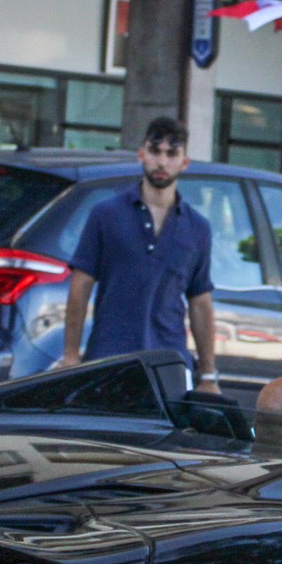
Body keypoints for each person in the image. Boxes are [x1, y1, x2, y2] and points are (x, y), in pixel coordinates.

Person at [57, 117, 220, 391]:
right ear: (141, 154)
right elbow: (80, 286)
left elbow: (200, 301)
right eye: (155, 151)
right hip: (109, 358)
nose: (162, 162)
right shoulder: (106, 214)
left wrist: (208, 376)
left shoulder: (197, 228)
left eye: (172, 154)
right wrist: (71, 356)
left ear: (185, 161)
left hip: (170, 365)